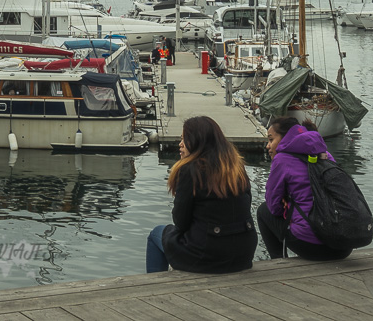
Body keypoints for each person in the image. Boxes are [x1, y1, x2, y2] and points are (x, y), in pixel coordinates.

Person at [146, 116, 258, 273]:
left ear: (198, 141)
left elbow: (181, 222)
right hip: (244, 254)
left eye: (185, 139)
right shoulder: (237, 168)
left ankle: (155, 288)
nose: (180, 144)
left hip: (207, 255)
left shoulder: (190, 171)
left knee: (156, 234)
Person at [257, 117, 353, 261]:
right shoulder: (325, 154)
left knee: (263, 211)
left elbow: (273, 208)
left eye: (271, 140)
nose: (268, 146)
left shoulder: (282, 159)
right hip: (344, 246)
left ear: (285, 139)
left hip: (313, 248)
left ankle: (277, 262)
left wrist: (286, 204)